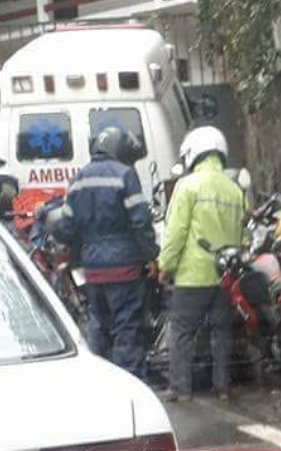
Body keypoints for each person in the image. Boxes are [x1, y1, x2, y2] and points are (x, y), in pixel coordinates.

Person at [54, 125, 158, 379]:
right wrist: (151, 254)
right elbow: (140, 221)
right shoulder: (125, 175)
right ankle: (132, 381)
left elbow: (65, 228)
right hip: (124, 268)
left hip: (92, 270)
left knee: (98, 325)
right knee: (127, 327)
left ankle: (98, 380)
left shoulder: (78, 180)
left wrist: (86, 245)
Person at [158, 127, 245, 402]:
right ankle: (223, 387)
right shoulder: (234, 189)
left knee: (182, 332)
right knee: (221, 332)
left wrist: (165, 265)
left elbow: (175, 232)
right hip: (224, 277)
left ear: (193, 153)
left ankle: (181, 388)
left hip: (192, 275)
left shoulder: (188, 186)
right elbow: (241, 233)